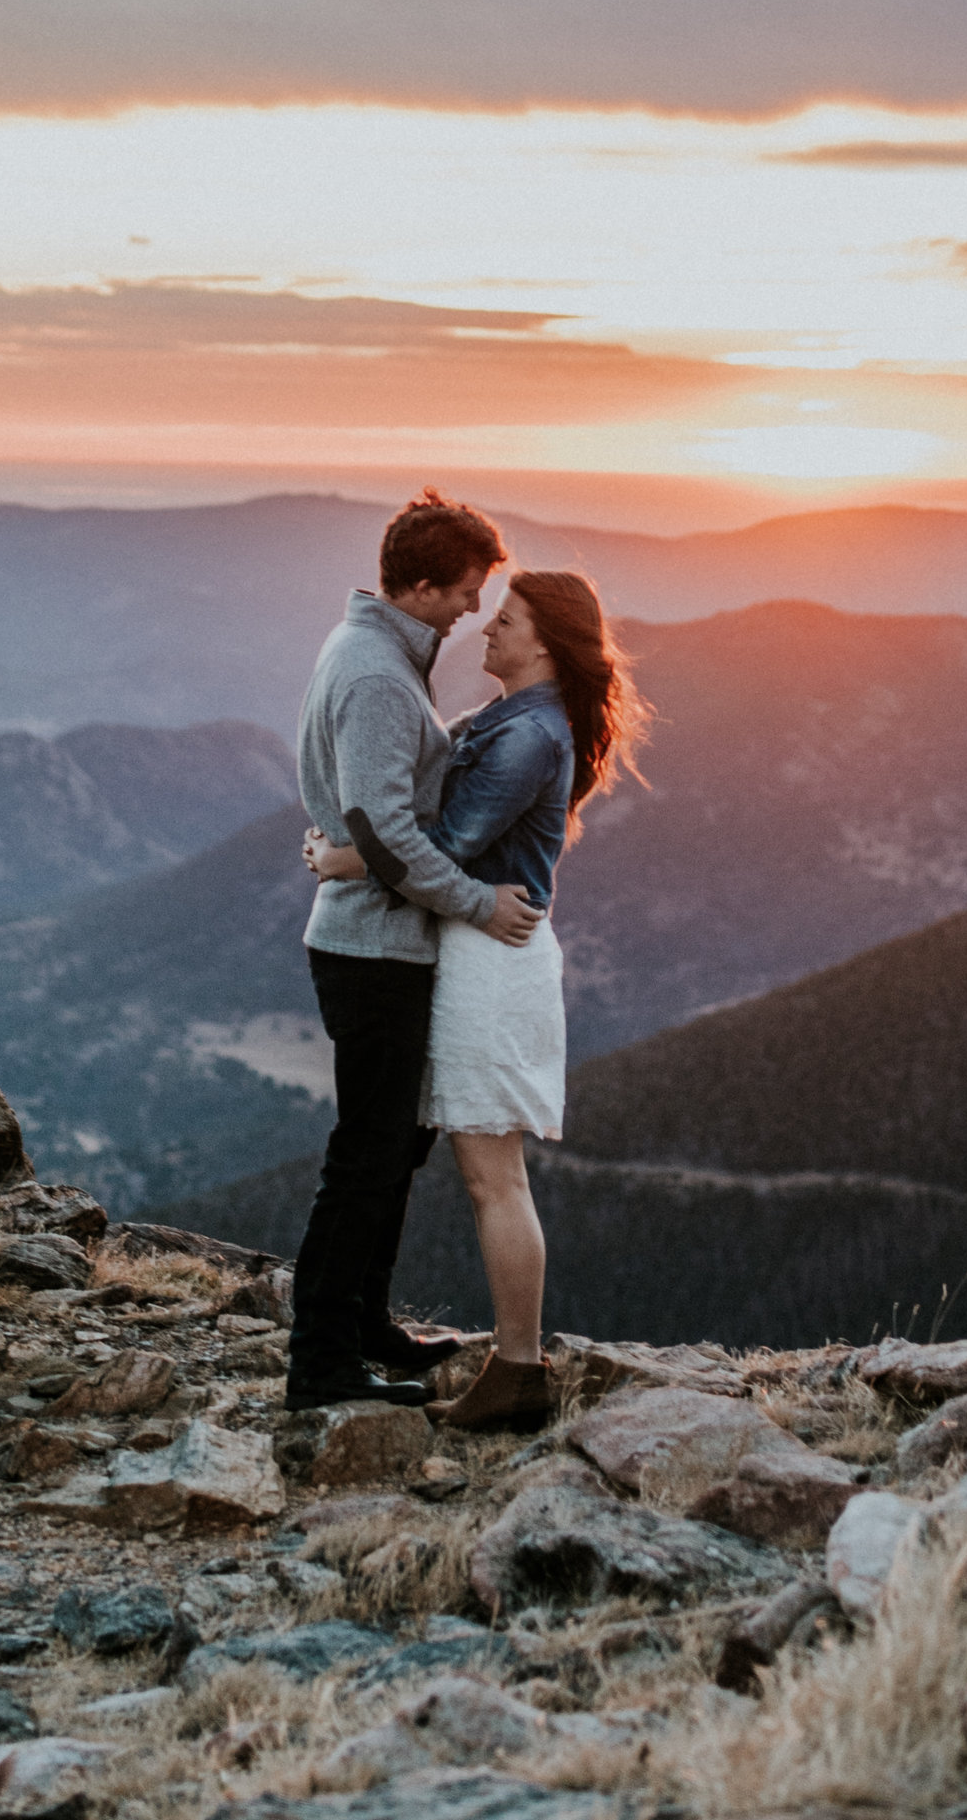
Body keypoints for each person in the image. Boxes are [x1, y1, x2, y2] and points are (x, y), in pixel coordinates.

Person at [306, 557, 650, 1432]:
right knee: (462, 1164)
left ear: (547, 643)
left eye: (508, 618)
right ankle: (485, 1355)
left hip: (495, 958)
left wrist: (343, 857)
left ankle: (518, 1369)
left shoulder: (532, 734)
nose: (486, 627)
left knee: (494, 1177)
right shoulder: (511, 716)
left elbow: (451, 844)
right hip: (471, 952)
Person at [286, 490, 541, 1412]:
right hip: (373, 952)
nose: (475, 608)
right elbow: (388, 834)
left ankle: (365, 1326)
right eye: (468, 592)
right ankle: (319, 1363)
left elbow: (389, 797)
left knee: (395, 1149)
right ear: (424, 585)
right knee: (365, 1157)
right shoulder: (379, 675)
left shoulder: (376, 652)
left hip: (377, 942)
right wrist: (477, 902)